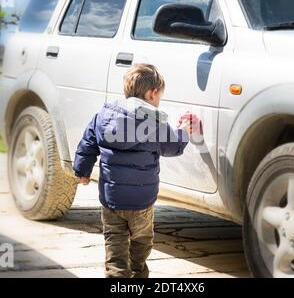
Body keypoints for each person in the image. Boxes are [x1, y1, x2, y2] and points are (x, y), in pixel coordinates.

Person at [73, 63, 200, 278]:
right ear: (152, 93)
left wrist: (82, 171)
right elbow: (174, 146)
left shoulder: (104, 115)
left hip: (111, 198)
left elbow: (87, 143)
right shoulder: (155, 122)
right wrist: (185, 131)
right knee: (141, 241)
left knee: (114, 241)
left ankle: (117, 274)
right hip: (141, 201)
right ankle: (138, 270)